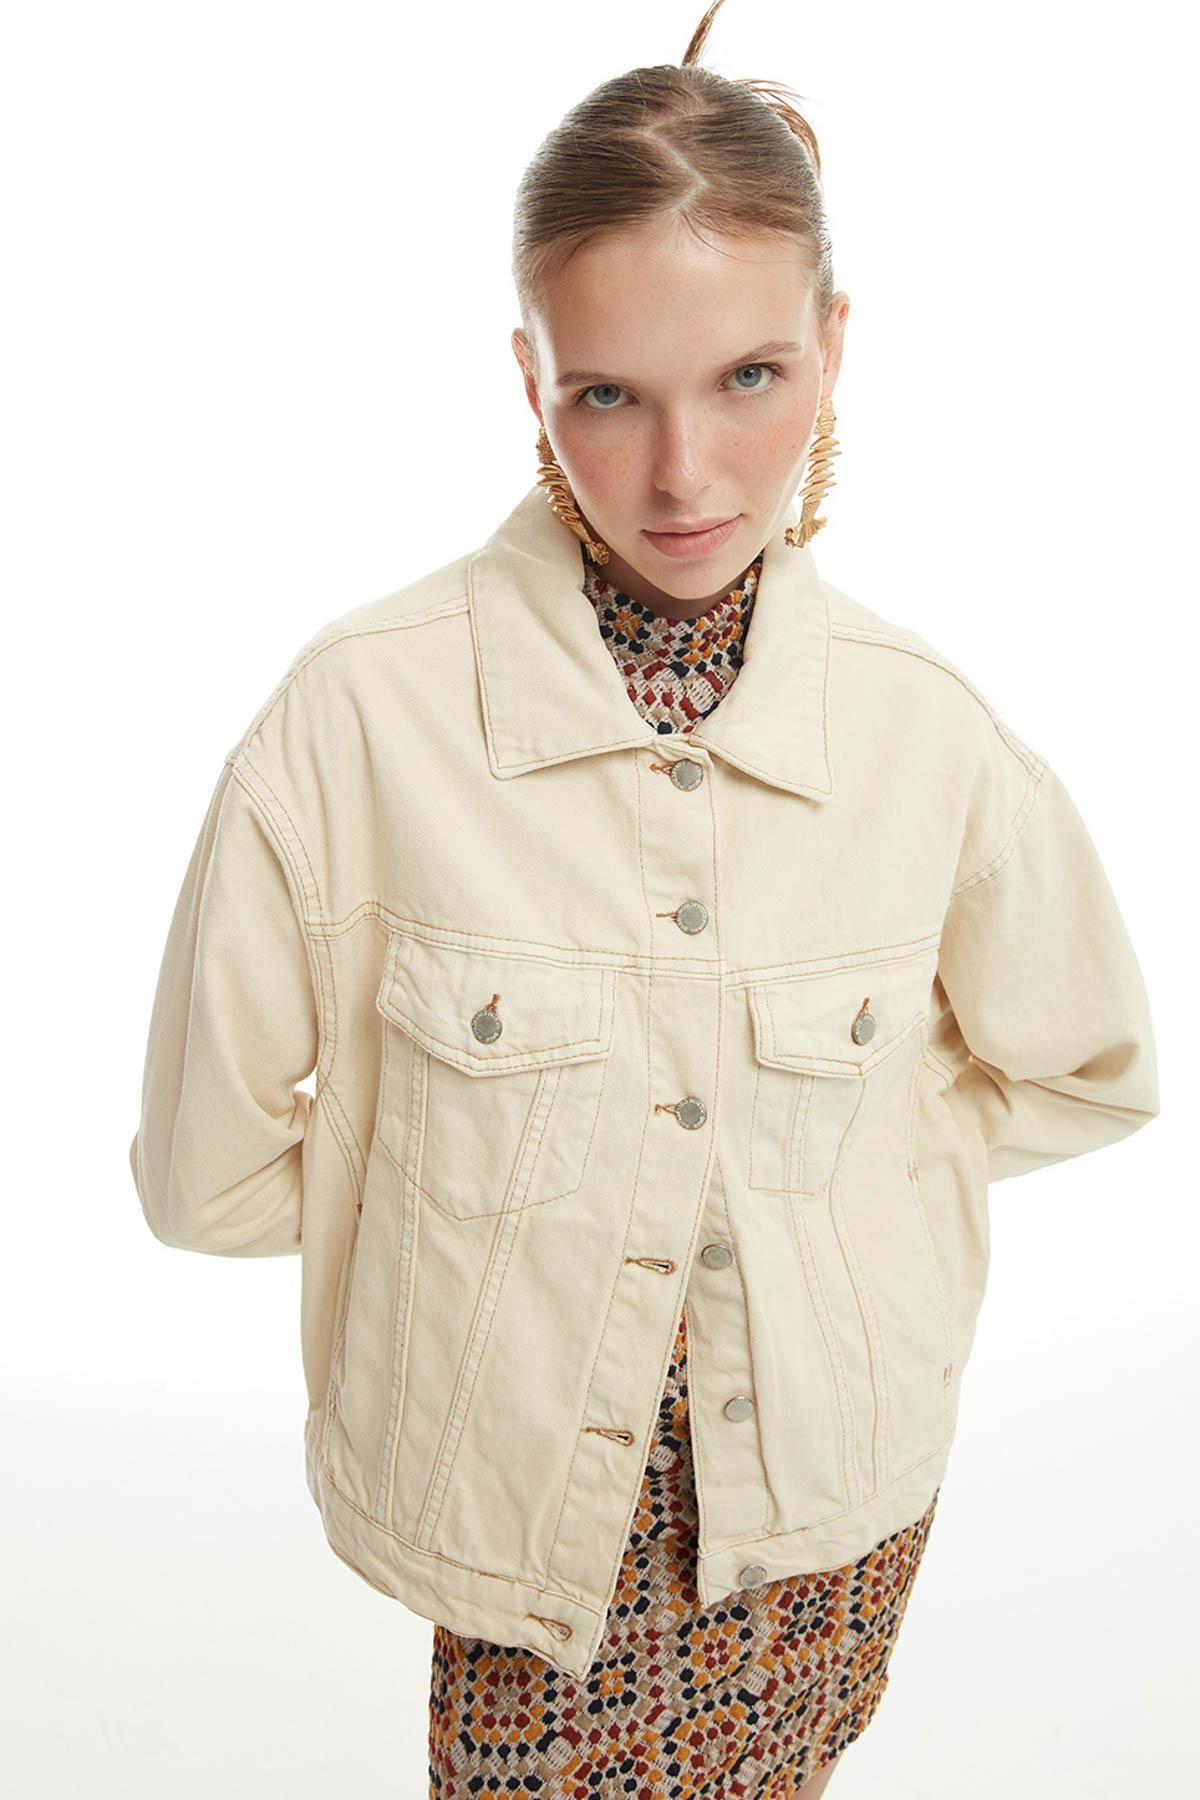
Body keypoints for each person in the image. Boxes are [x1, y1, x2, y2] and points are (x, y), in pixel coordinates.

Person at [128, 2, 1160, 1794]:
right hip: (529, 1547)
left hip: (826, 1519)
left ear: (835, 348)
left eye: (751, 377)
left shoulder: (927, 734)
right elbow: (203, 1173)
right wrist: (463, 1197)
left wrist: (840, 1165)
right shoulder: (356, 720)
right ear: (528, 377)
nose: (685, 475)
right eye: (607, 393)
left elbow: (1092, 1068)